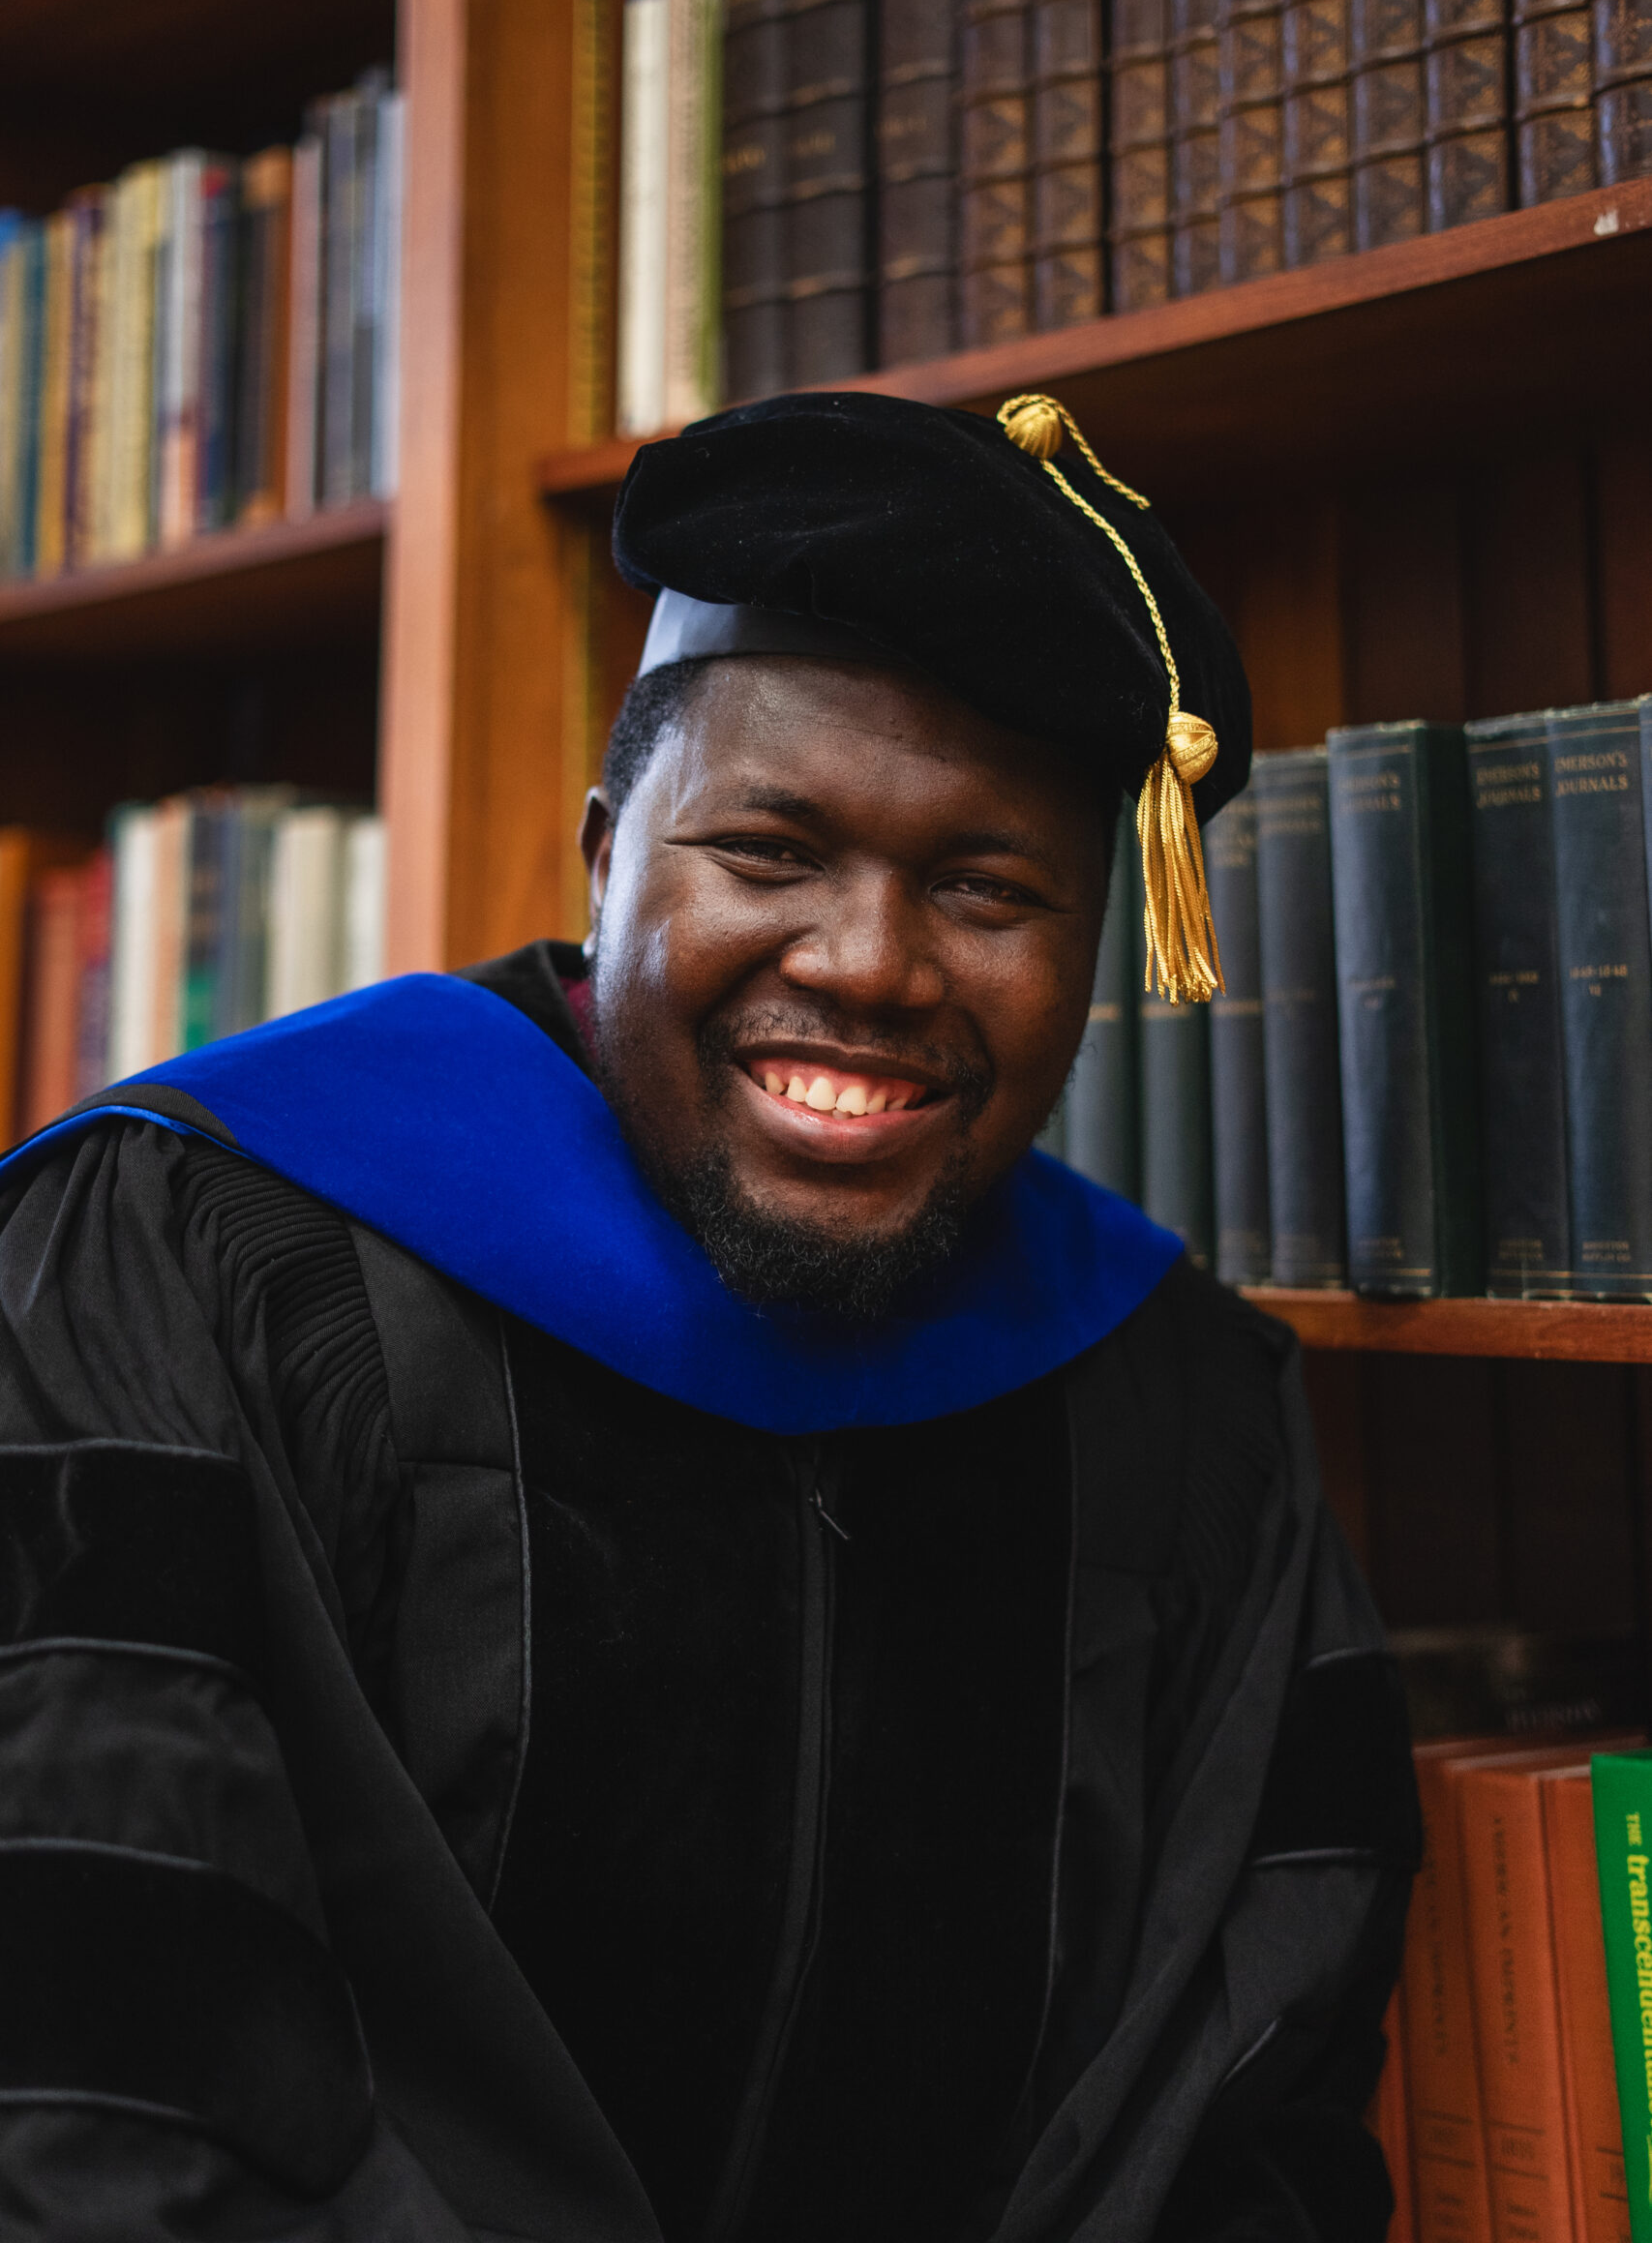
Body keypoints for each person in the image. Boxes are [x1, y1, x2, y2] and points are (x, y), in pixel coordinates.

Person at [0, 391, 1417, 2243]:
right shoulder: (201, 1247)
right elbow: (96, 2055)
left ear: (1098, 951)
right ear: (605, 855)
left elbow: (1246, 2092)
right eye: (769, 852)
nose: (870, 964)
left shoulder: (1180, 1409)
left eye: (991, 891)